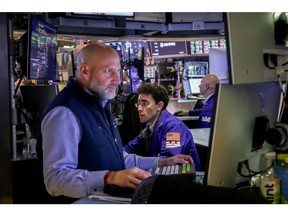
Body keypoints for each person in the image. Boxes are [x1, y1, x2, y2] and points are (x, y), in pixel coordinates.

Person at [37, 42, 193, 201]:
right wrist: (109, 178)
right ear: (85, 71)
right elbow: (55, 179)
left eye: (118, 71)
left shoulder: (99, 102)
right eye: (108, 71)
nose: (118, 80)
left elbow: (119, 158)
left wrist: (160, 163)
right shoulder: (65, 113)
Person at [123, 83, 201, 171]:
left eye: (144, 103)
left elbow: (168, 163)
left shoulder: (173, 128)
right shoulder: (150, 127)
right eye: (138, 103)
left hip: (185, 179)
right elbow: (131, 148)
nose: (139, 108)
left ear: (159, 106)